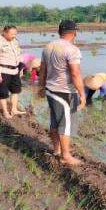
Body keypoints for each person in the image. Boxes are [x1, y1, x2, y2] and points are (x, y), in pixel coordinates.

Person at [38, 20, 86, 166]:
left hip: (51, 90)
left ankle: (57, 150)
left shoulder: (48, 47)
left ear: (59, 32)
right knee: (65, 124)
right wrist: (82, 94)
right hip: (64, 92)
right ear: (74, 33)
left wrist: (41, 87)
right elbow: (75, 74)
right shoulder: (72, 50)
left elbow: (43, 70)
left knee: (55, 121)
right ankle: (66, 156)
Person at [0, 26, 26, 119]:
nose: (14, 36)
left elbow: (19, 55)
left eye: (15, 34)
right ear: (4, 32)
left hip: (15, 70)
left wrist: (21, 68)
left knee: (16, 90)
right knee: (3, 92)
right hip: (3, 71)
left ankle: (14, 109)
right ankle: (5, 112)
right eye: (12, 34)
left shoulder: (15, 41)